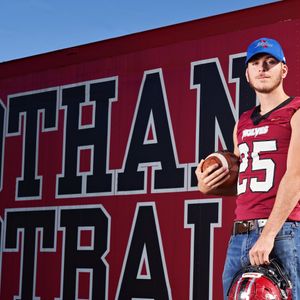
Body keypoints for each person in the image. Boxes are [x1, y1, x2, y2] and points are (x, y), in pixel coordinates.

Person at [195, 37, 300, 299]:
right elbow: (248, 182)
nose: (262, 68)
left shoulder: (296, 111)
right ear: (247, 74)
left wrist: (268, 234)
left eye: (270, 62)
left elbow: (296, 176)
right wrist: (209, 186)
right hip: (240, 235)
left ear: (283, 69)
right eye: (255, 63)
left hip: (282, 233)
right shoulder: (242, 122)